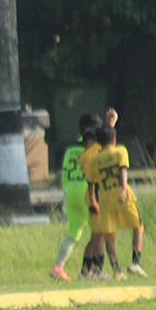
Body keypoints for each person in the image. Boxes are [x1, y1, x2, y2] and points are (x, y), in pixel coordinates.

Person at [86, 124, 146, 279]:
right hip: (122, 197)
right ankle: (135, 263)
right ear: (113, 139)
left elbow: (91, 183)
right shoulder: (120, 151)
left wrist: (93, 201)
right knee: (138, 227)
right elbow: (122, 171)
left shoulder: (94, 160)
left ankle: (117, 270)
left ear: (98, 142)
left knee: (109, 236)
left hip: (105, 199)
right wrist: (124, 189)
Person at [50, 112, 102, 281]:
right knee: (98, 230)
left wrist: (66, 192)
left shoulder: (70, 149)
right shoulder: (92, 149)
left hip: (70, 191)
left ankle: (58, 266)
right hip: (86, 191)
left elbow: (64, 174)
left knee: (74, 231)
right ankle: (90, 270)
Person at [80, 108, 119, 279]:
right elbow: (103, 144)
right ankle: (97, 269)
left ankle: (85, 270)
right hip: (95, 197)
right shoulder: (89, 155)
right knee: (99, 235)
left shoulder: (88, 153)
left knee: (96, 234)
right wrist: (110, 125)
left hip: (94, 196)